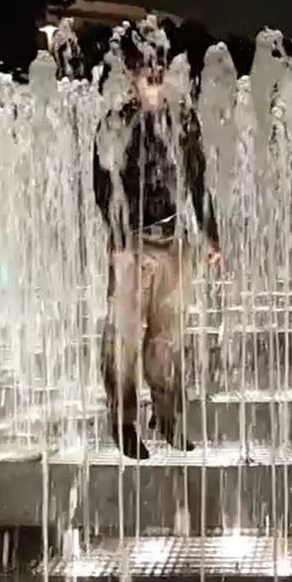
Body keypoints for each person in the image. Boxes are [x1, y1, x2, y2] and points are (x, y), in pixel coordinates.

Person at [93, 24, 220, 460]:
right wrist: (117, 238)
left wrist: (209, 234)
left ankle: (167, 416)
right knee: (124, 337)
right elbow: (104, 184)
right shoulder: (116, 120)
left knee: (169, 336)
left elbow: (199, 178)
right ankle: (124, 420)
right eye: (144, 66)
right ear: (130, 70)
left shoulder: (182, 118)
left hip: (172, 238)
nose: (152, 74)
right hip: (131, 240)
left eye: (158, 65)